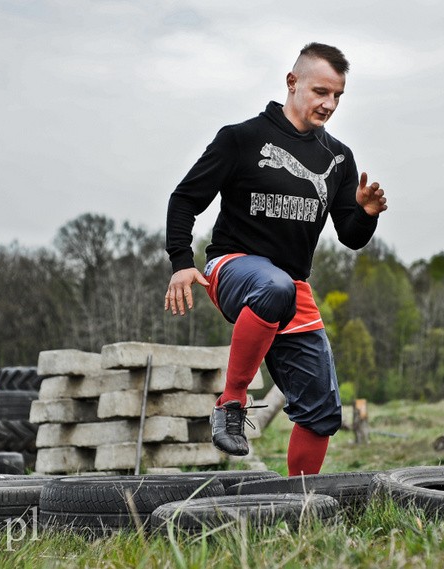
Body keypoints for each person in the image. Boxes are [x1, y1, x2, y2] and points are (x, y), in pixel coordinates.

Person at [164, 42, 387, 476]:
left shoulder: (338, 158)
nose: (329, 104)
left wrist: (365, 214)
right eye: (321, 91)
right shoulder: (241, 139)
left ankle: (299, 509)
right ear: (292, 82)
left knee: (322, 412)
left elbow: (351, 237)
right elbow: (184, 199)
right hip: (232, 269)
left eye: (338, 95)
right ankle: (231, 402)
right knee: (274, 286)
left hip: (291, 289)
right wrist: (180, 261)